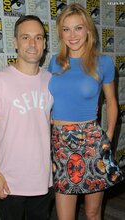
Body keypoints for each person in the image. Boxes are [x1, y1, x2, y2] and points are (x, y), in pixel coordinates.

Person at [48, 3, 124, 220]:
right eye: (66, 29)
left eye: (78, 28)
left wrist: (108, 134)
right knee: (65, 216)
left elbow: (111, 101)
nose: (72, 35)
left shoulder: (104, 63)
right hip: (61, 142)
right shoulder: (54, 62)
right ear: (60, 33)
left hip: (91, 141)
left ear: (89, 30)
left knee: (92, 213)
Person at [0, 15, 53, 220]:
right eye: (25, 37)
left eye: (38, 38)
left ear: (45, 43)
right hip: (10, 183)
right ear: (15, 42)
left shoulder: (51, 81)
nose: (32, 44)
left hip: (43, 181)